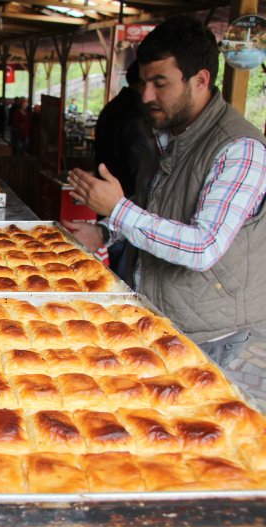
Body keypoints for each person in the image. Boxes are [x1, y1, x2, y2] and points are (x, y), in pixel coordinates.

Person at [64, 16, 266, 369]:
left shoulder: (240, 149)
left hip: (213, 335)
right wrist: (103, 232)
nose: (146, 96)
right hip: (158, 316)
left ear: (200, 80)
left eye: (160, 83)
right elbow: (155, 214)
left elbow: (202, 247)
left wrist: (118, 209)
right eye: (144, 83)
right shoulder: (165, 136)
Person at [93, 60, 157, 276]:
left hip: (112, 201)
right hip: (127, 202)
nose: (150, 96)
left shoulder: (113, 107)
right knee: (125, 272)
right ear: (141, 83)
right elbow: (139, 170)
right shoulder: (136, 116)